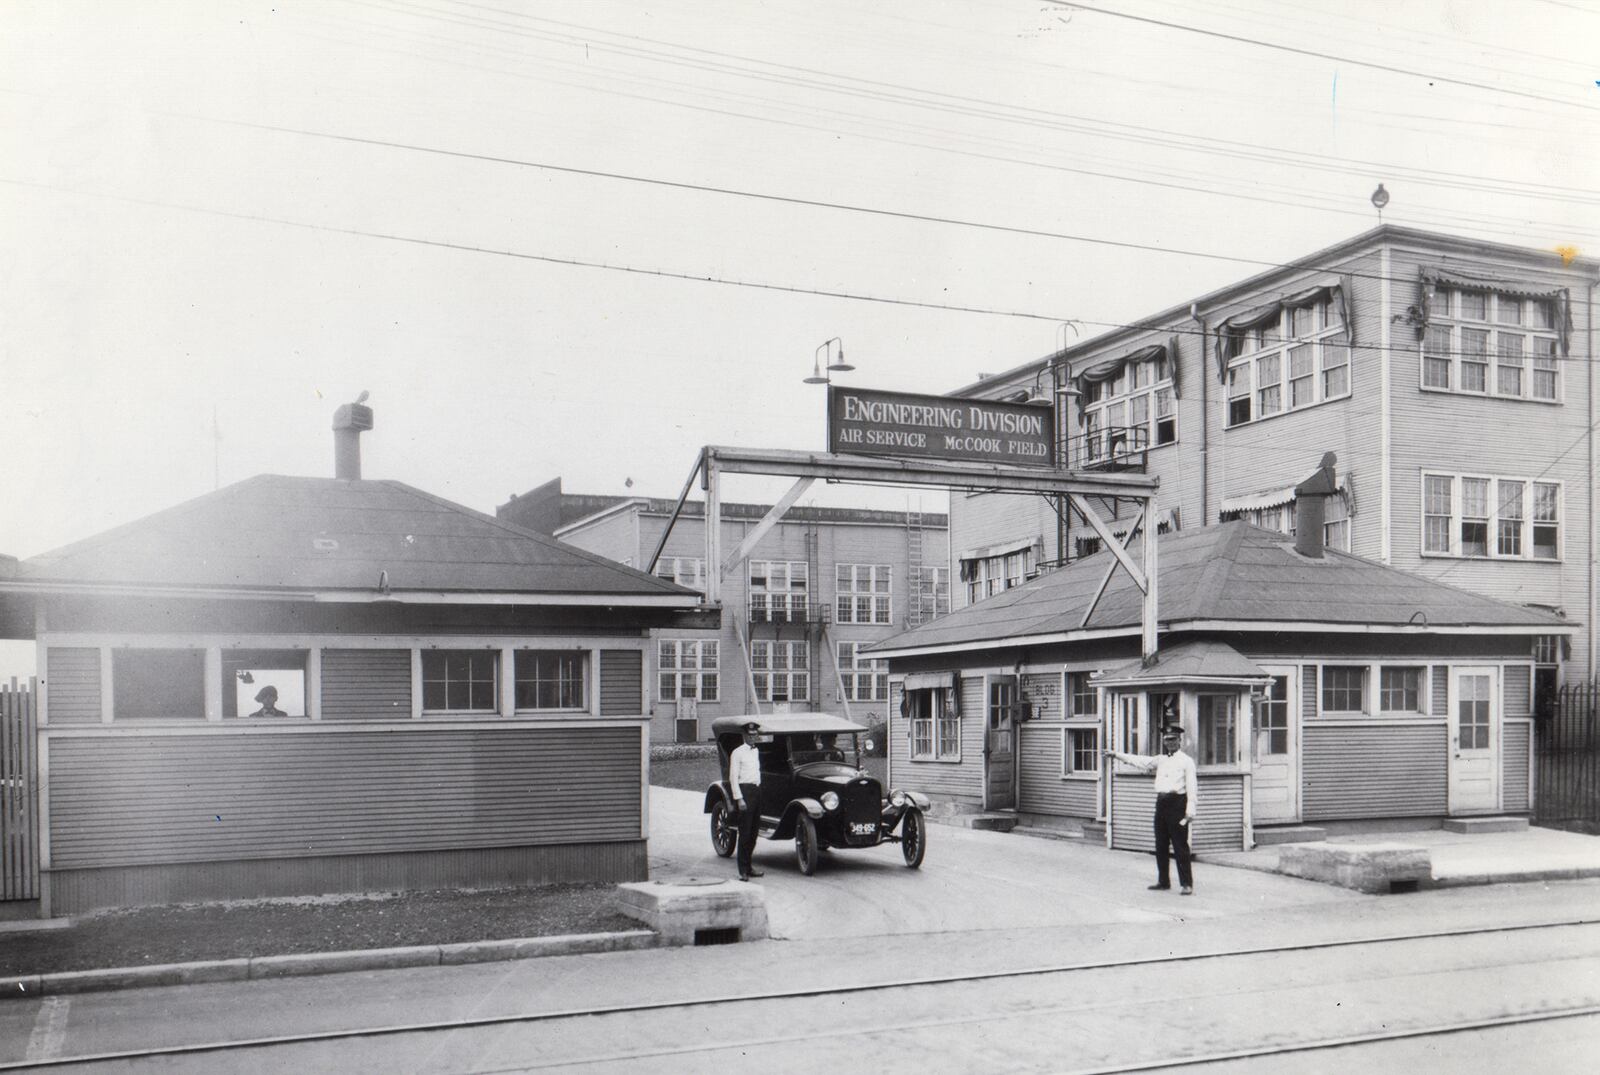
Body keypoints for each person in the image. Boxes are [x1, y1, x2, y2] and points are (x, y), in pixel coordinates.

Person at [1105, 725, 1197, 894]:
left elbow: (1192, 787)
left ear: (1180, 741)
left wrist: (1190, 810)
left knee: (1180, 845)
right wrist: (1116, 755)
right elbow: (1140, 761)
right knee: (1160, 844)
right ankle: (1163, 881)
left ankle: (1186, 884)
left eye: (1173, 739)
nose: (1170, 743)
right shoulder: (1160, 759)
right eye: (1167, 740)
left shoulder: (1186, 761)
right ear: (1163, 741)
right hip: (1161, 804)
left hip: (1178, 803)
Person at [728, 721, 764, 881]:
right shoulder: (737, 752)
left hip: (756, 791)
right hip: (745, 792)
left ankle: (749, 867)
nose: (752, 737)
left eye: (755, 734)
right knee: (745, 833)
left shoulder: (755, 751)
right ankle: (742, 870)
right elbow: (733, 777)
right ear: (744, 736)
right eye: (750, 735)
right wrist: (739, 799)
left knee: (754, 833)